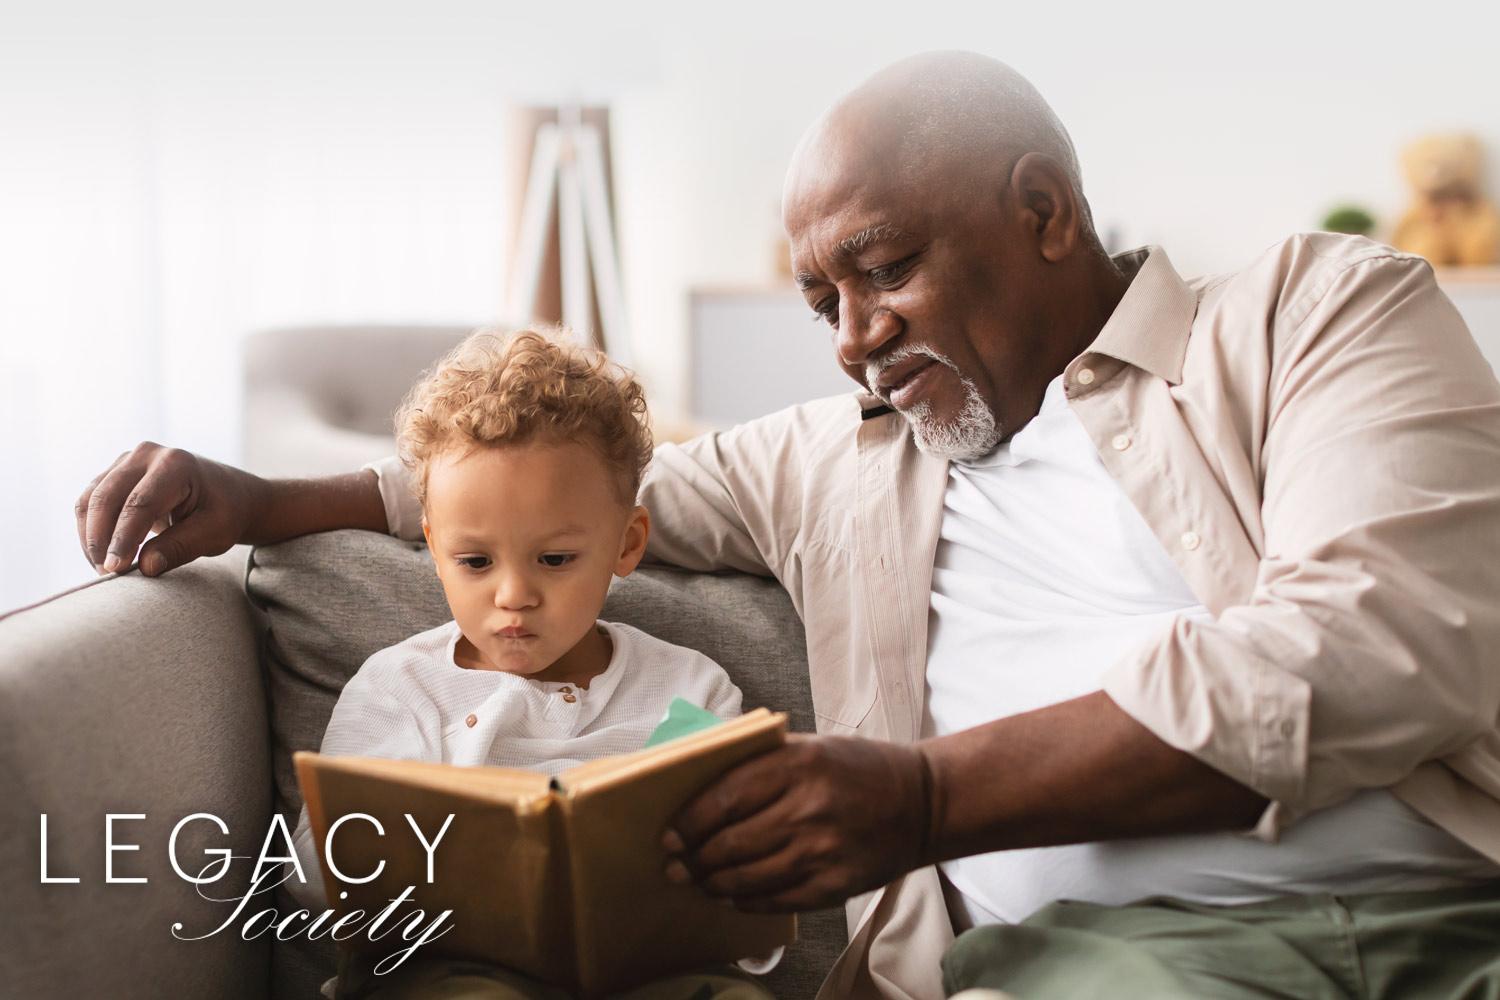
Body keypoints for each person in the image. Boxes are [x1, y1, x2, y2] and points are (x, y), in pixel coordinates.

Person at [77, 51, 1500, 1000]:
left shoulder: (1319, 313)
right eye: (822, 301)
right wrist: (267, 501)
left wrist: (929, 798)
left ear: (1046, 213)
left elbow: (1370, 647)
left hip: (1455, 909)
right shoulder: (835, 458)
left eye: (884, 271)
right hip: (1112, 962)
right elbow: (562, 496)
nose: (852, 340)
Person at [285, 328, 771, 1000]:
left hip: (643, 972)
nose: (513, 595)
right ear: (434, 548)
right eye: (476, 562)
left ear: (626, 545)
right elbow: (314, 880)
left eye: (554, 560)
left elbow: (748, 890)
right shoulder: (404, 688)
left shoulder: (689, 689)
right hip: (454, 967)